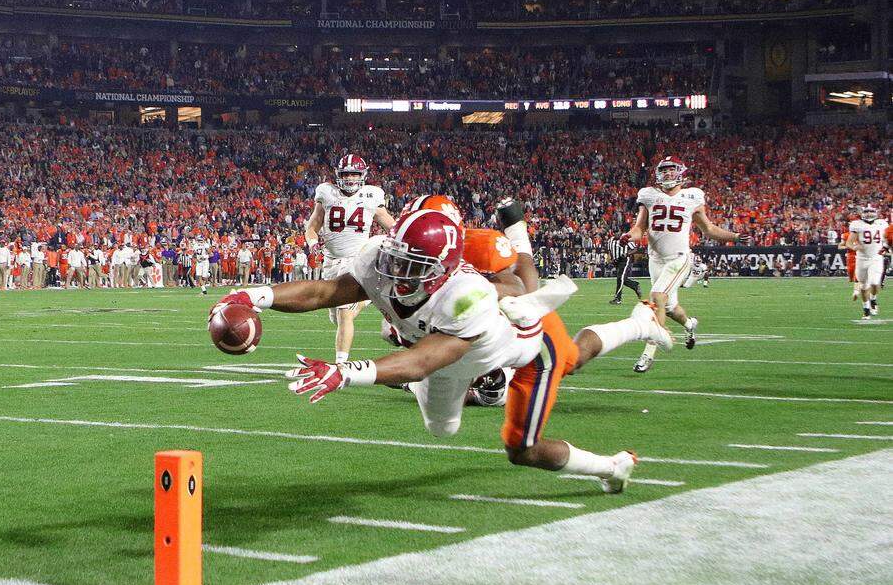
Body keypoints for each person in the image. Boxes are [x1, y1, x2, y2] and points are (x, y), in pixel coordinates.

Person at [214, 209, 666, 493]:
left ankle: (611, 465)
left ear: (444, 270)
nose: (395, 270)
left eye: (412, 265)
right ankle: (493, 386)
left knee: (526, 439)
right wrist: (254, 296)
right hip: (453, 357)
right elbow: (325, 291)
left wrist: (345, 373)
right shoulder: (379, 255)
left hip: (524, 348)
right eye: (395, 256)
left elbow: (425, 359)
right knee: (443, 429)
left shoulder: (466, 293)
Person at [624, 156, 749, 373]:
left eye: (672, 170)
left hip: (679, 258)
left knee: (657, 297)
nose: (668, 174)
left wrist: (735, 236)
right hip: (655, 259)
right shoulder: (650, 195)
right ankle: (690, 325)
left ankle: (649, 353)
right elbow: (639, 228)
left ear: (681, 173)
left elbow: (709, 229)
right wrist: (629, 236)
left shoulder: (691, 196)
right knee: (670, 307)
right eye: (665, 170)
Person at [303, 154, 396, 363]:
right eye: (347, 174)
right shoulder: (326, 193)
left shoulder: (372, 196)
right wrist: (312, 243)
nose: (351, 178)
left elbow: (392, 226)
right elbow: (312, 227)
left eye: (355, 174)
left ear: (362, 175)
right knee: (336, 316)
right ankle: (367, 299)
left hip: (357, 261)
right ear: (339, 175)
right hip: (331, 262)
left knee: (344, 311)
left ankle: (340, 366)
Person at [845, 204, 889, 320]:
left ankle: (873, 299)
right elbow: (849, 242)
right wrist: (854, 247)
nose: (869, 214)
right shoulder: (857, 225)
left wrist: (886, 246)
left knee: (874, 282)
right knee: (864, 286)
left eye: (871, 212)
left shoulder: (882, 224)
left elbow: (887, 238)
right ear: (863, 213)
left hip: (876, 258)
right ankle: (866, 310)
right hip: (861, 259)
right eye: (867, 212)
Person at [606, 232, 642, 304]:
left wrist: (627, 254)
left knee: (620, 278)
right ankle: (635, 285)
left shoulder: (625, 239)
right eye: (615, 233)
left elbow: (635, 249)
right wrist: (611, 259)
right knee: (622, 279)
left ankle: (618, 299)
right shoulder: (610, 241)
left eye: (618, 232)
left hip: (625, 260)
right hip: (616, 261)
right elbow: (609, 251)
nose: (617, 234)